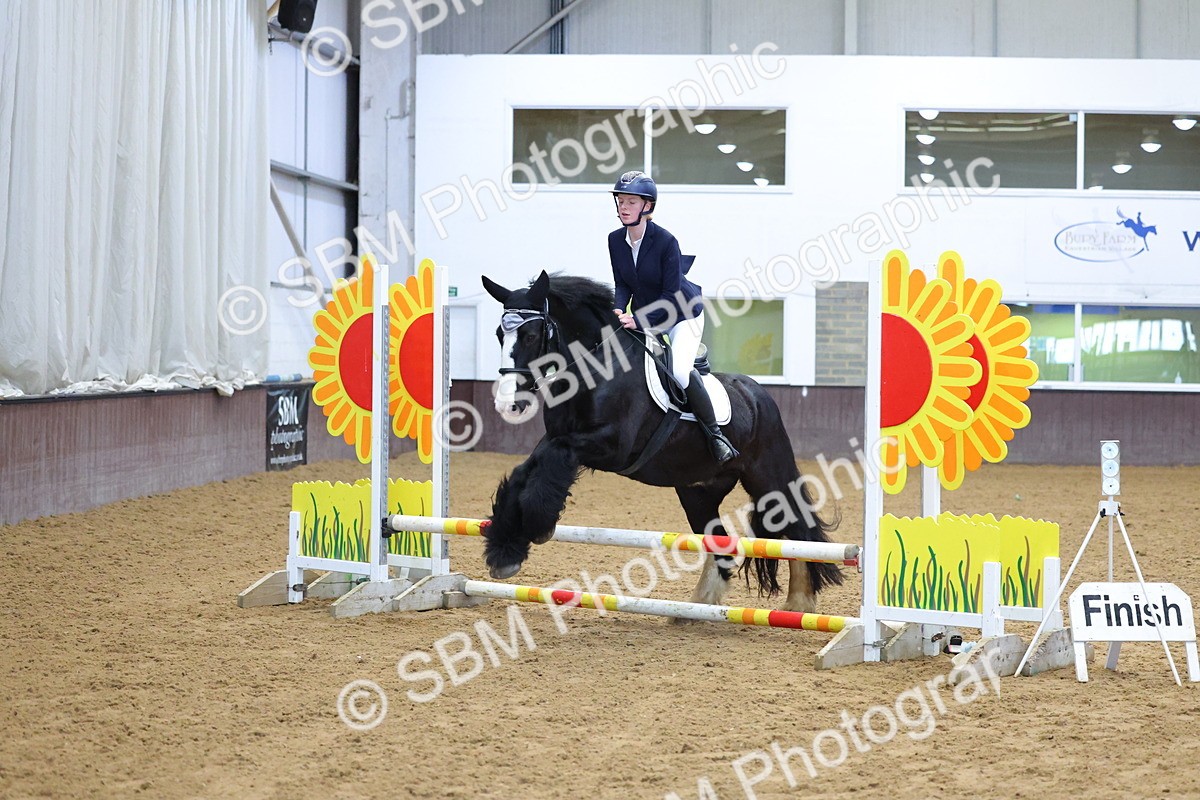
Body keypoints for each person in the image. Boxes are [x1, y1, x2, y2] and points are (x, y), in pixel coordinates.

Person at [607, 170, 739, 464]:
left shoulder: (666, 242)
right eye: (620, 201)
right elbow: (623, 283)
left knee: (678, 371)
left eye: (631, 201)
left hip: (681, 314)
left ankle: (716, 436)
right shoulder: (615, 240)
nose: (624, 207)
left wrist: (637, 319)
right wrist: (619, 307)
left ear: (648, 207)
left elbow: (671, 296)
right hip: (646, 314)